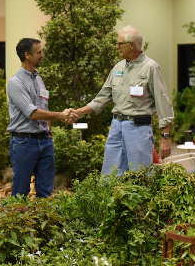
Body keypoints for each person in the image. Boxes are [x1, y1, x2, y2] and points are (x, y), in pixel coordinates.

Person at [71, 26, 173, 175]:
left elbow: (163, 101)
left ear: (131, 45)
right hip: (116, 127)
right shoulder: (118, 68)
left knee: (141, 176)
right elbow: (103, 97)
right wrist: (79, 112)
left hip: (138, 129)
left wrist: (165, 137)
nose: (117, 46)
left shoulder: (150, 68)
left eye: (120, 43)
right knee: (109, 176)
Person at [7, 38, 78, 197]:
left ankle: (42, 220)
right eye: (39, 52)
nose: (42, 55)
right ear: (27, 55)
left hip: (45, 141)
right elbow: (32, 113)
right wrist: (60, 115)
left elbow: (43, 108)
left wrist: (49, 134)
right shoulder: (16, 82)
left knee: (45, 191)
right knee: (21, 191)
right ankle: (18, 221)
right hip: (24, 142)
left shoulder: (39, 79)